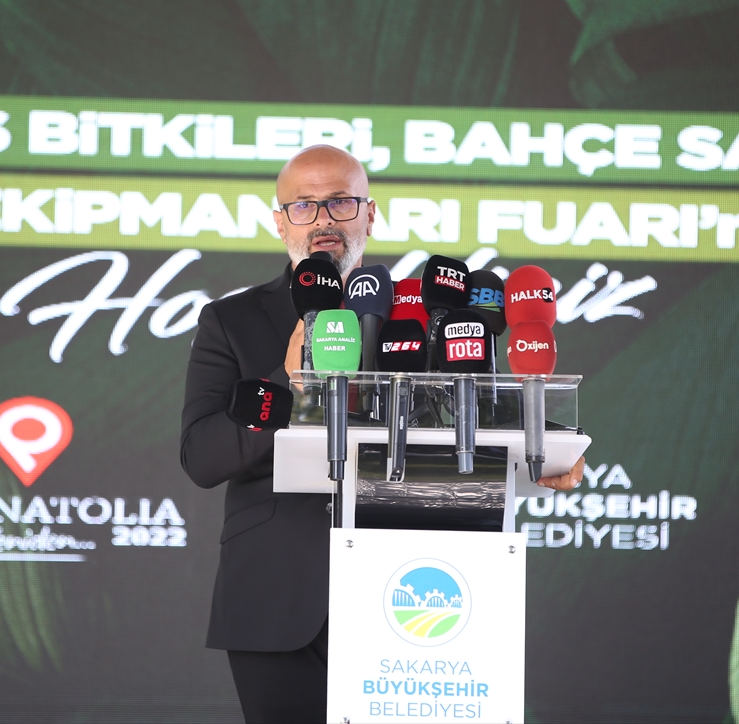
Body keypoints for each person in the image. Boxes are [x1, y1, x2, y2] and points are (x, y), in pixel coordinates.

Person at [179, 145, 585, 723]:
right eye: (304, 205)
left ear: (369, 215)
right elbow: (202, 456)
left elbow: (480, 411)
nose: (323, 219)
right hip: (278, 596)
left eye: (341, 202)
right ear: (280, 222)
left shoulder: (422, 312)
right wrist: (286, 382)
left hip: (416, 592)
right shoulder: (231, 320)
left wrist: (548, 448)